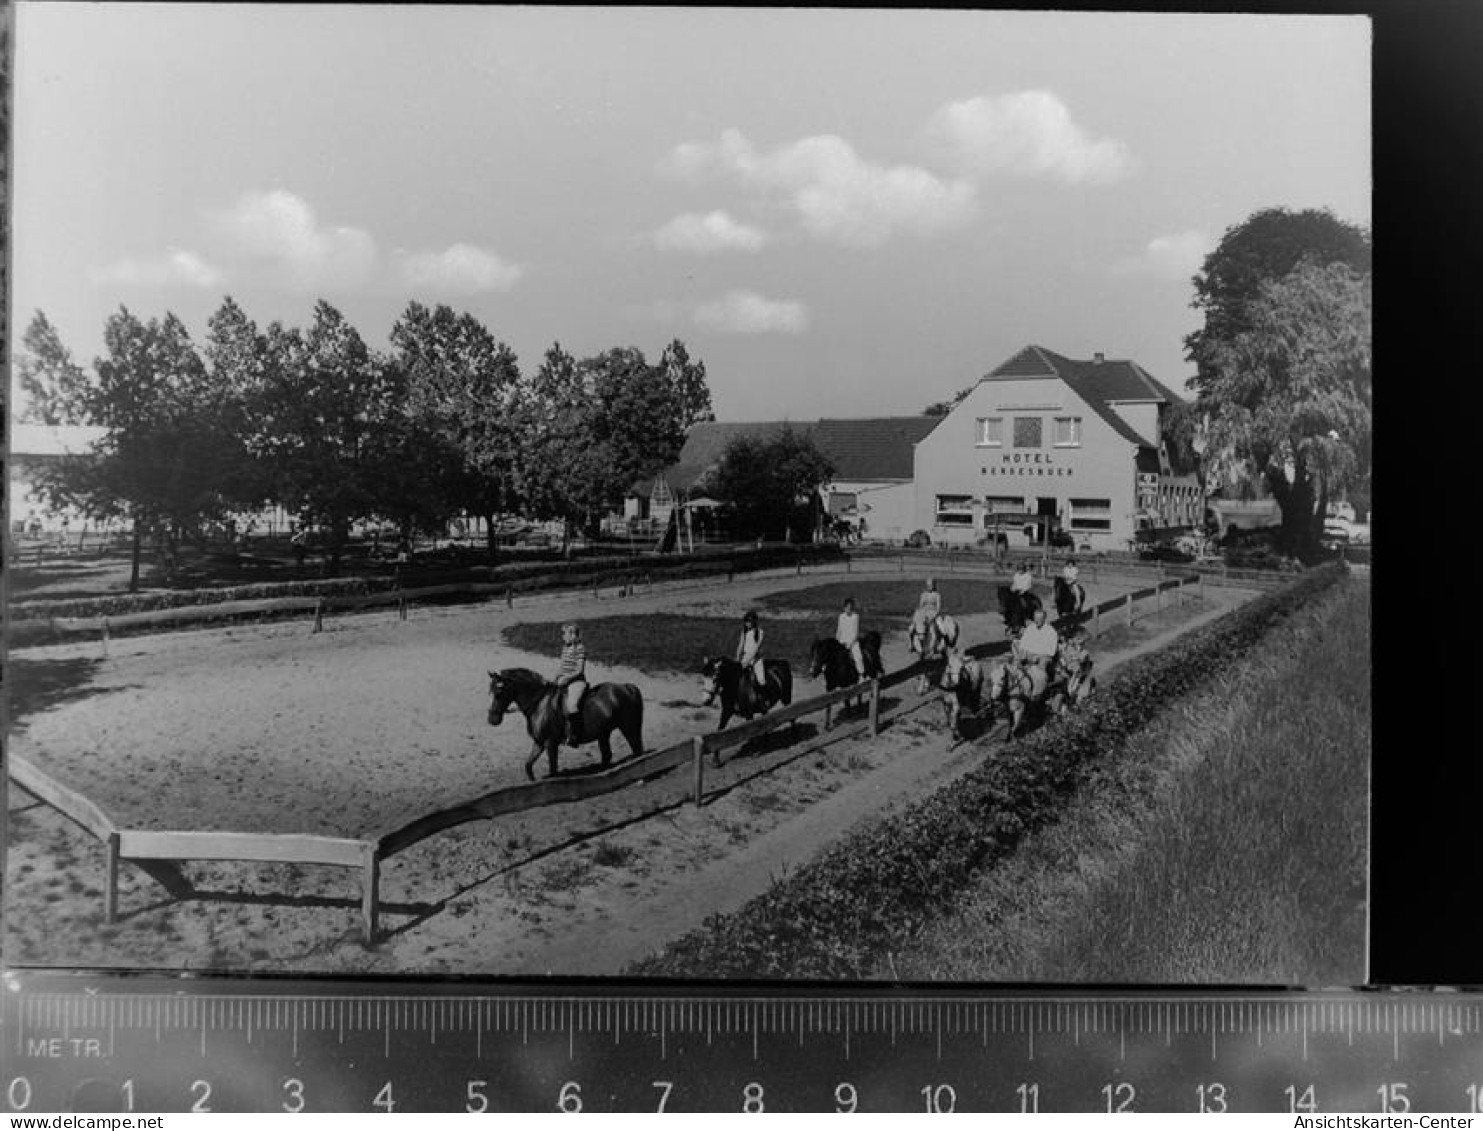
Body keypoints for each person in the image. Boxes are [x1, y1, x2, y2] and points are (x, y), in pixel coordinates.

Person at [1012, 606, 1060, 701]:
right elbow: (1023, 644)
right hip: (1029, 654)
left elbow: (1051, 651)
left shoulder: (1051, 632)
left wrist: (1037, 655)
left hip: (1044, 657)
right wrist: (1023, 654)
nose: (1037, 621)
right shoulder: (1030, 628)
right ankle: (1015, 686)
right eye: (1035, 619)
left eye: (1039, 619)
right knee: (1015, 662)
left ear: (1044, 619)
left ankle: (1039, 691)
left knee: (1041, 665)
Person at [555, 622, 589, 746]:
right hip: (563, 680)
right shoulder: (565, 648)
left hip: (576, 681)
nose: (563, 636)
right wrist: (556, 677)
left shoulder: (580, 648)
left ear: (573, 635)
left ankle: (575, 735)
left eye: (565, 633)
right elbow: (562, 667)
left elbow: (579, 671)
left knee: (572, 706)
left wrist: (567, 678)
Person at [836, 597, 866, 678]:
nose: (848, 609)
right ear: (844, 607)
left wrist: (850, 644)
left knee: (858, 657)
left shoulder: (855, 617)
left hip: (853, 642)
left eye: (850, 608)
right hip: (842, 642)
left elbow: (856, 633)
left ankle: (861, 675)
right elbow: (839, 630)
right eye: (847, 607)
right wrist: (837, 641)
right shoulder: (841, 616)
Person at [735, 611, 766, 690]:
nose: (747, 624)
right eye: (746, 622)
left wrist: (747, 662)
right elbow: (740, 645)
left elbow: (756, 649)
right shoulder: (744, 632)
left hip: (756, 659)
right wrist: (737, 657)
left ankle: (763, 695)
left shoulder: (760, 632)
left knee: (761, 680)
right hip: (745, 657)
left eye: (749, 622)